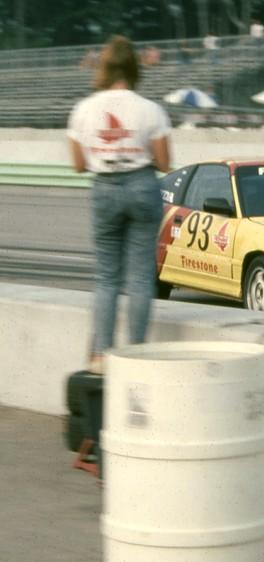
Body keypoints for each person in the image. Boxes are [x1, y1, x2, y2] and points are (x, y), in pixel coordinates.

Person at [67, 35, 171, 373]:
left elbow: (78, 165)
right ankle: (138, 353)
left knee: (106, 278)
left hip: (104, 188)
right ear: (134, 69)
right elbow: (165, 162)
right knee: (141, 277)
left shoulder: (83, 109)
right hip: (142, 185)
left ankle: (100, 356)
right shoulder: (150, 109)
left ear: (104, 68)